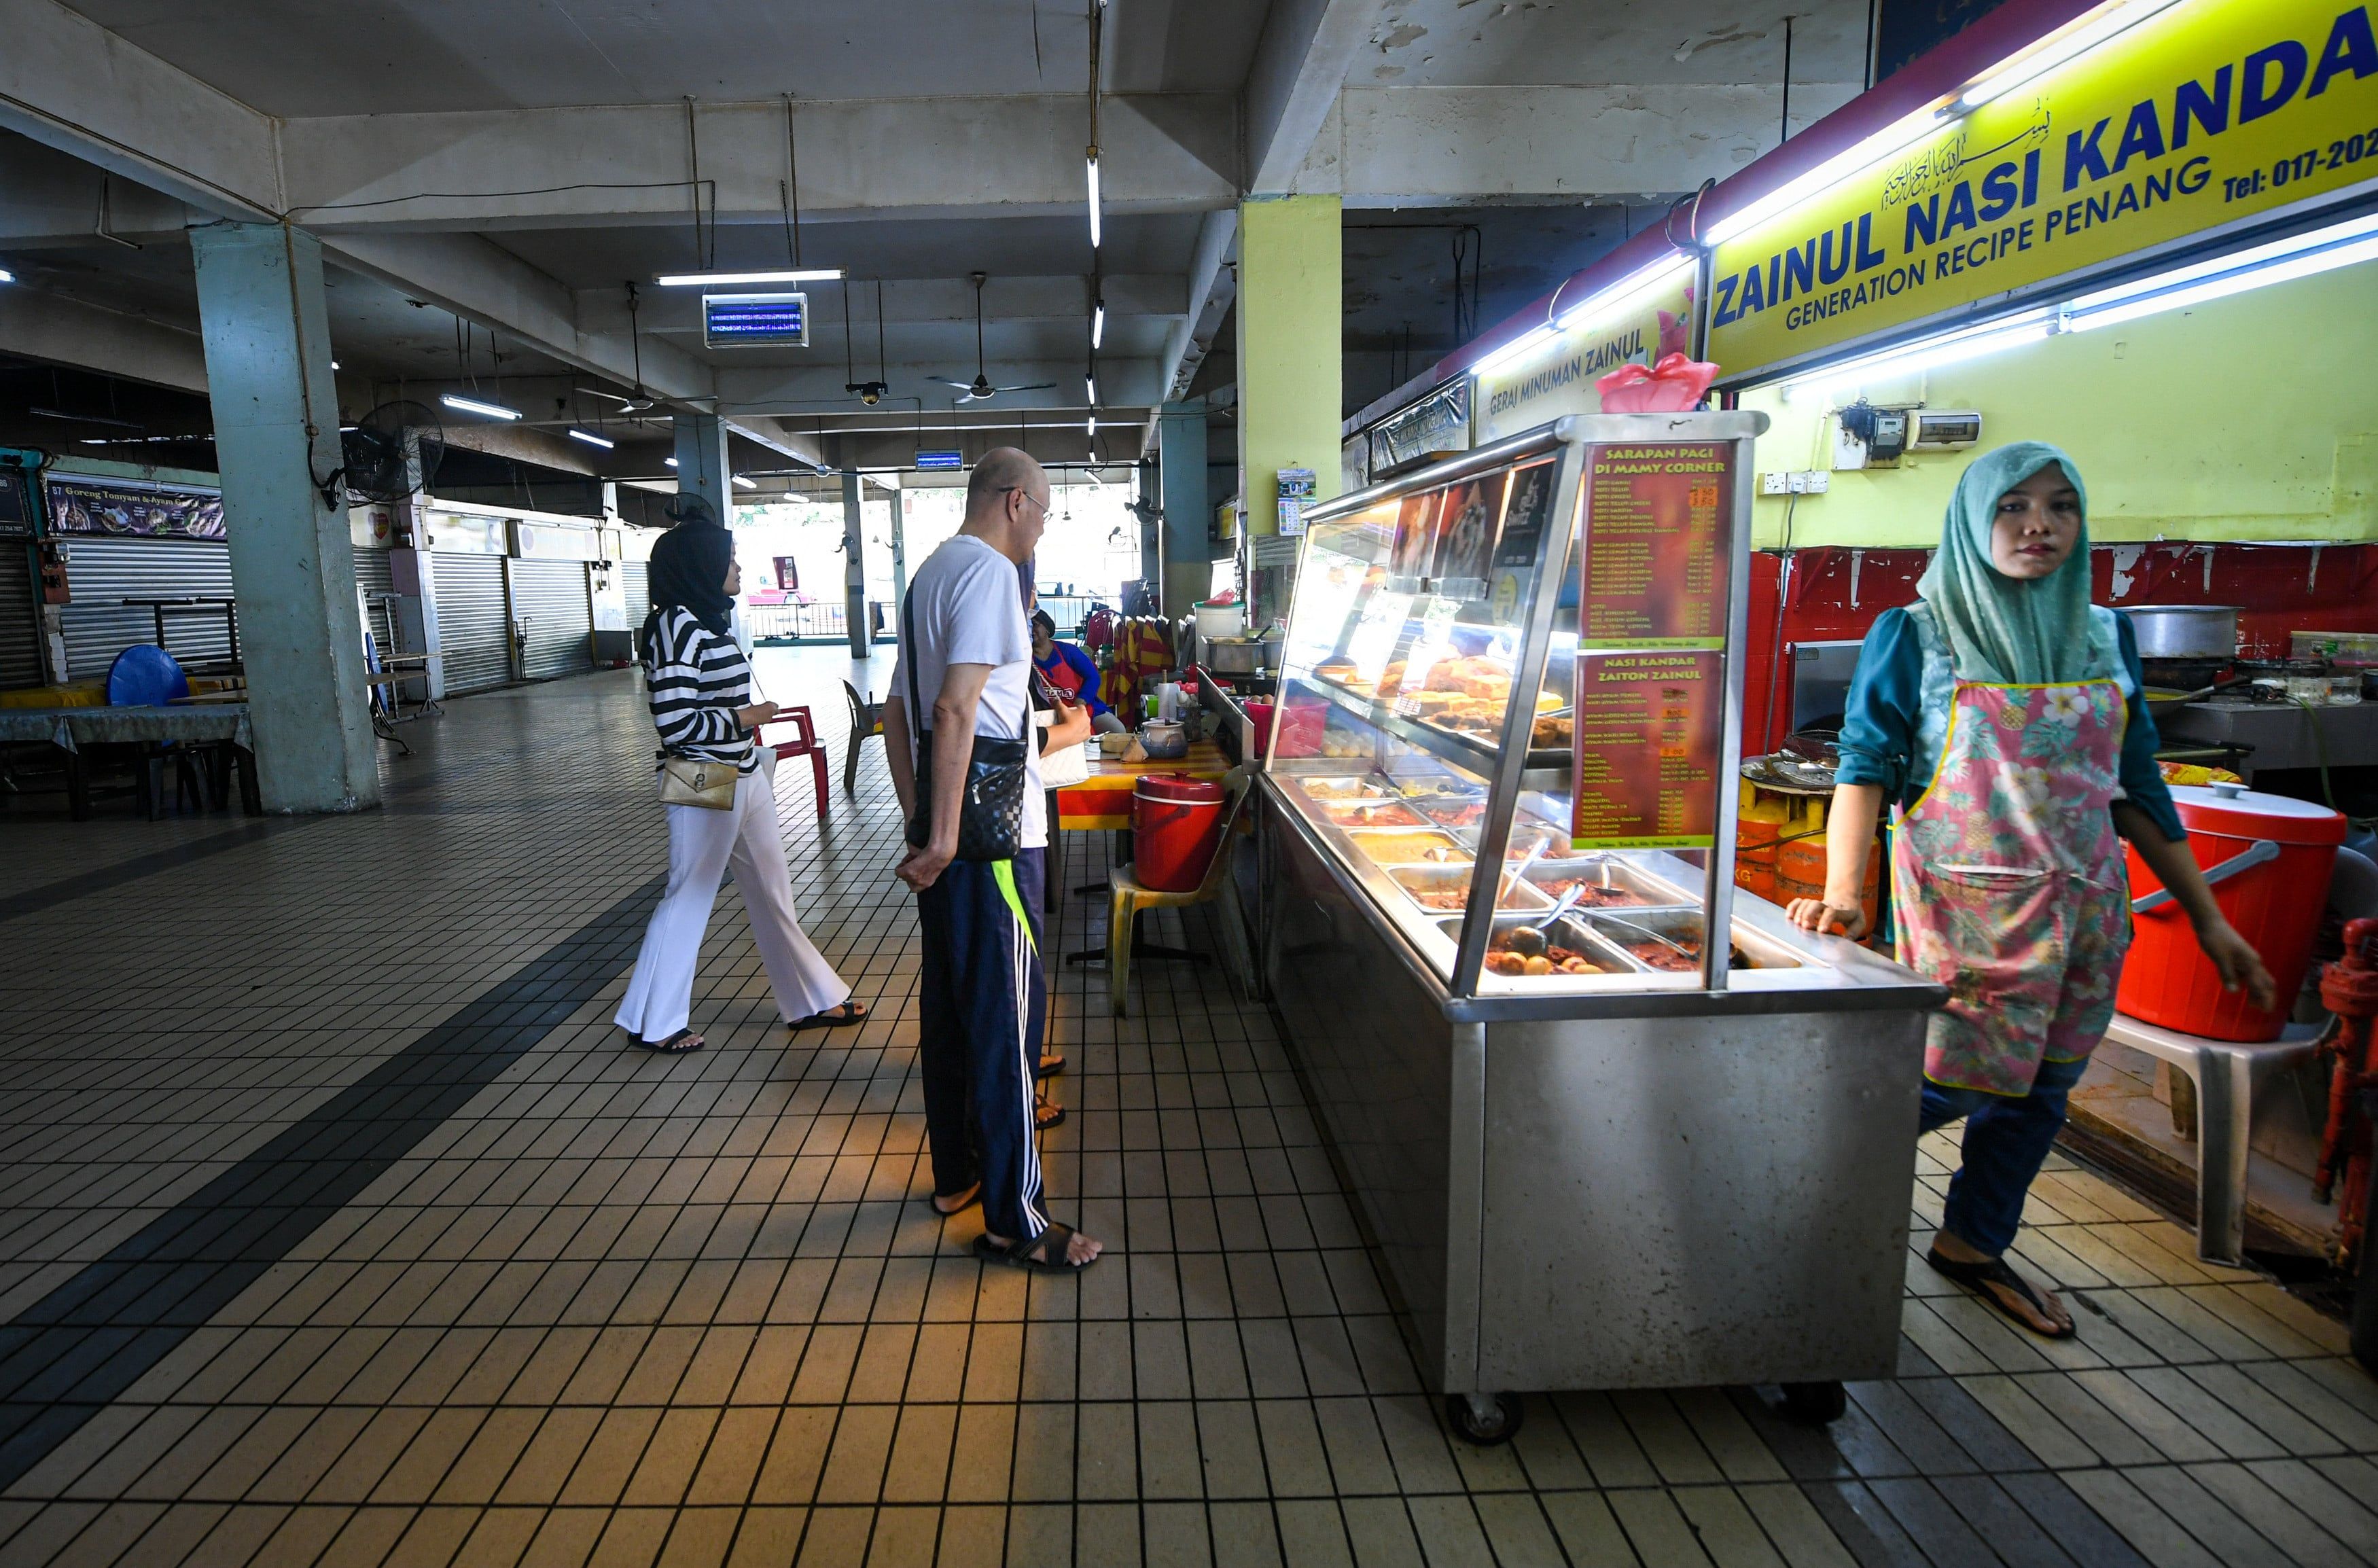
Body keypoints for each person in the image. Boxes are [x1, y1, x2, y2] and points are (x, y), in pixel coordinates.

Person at [1788, 443, 2275, 1338]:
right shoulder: (1919, 634)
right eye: (2012, 507)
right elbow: (1862, 773)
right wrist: (1845, 895)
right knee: (1936, 1086)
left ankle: (1974, 1242)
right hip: (1964, 919)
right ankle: (1778, 1216)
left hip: (2087, 916)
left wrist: (2208, 917)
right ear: (1974, 522)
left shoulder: (2105, 636)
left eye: (2061, 507)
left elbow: (2138, 790)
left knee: (2045, 1089)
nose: (2039, 525)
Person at [887, 448, 1103, 1272]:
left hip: (947, 840)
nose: (1041, 526)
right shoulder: (985, 577)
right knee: (1007, 1024)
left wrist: (920, 823)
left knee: (948, 1011)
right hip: (987, 844)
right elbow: (953, 707)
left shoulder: (929, 574)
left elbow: (898, 710)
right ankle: (1016, 1221)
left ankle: (957, 1177)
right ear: (1015, 501)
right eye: (1044, 512)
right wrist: (945, 836)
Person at [616, 508, 866, 1052]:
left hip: (745, 771)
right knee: (689, 895)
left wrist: (744, 724)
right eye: (728, 557)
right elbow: (675, 722)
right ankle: (653, 1022)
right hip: (701, 775)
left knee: (774, 892)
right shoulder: (673, 627)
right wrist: (746, 718)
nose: (738, 566)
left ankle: (807, 1000)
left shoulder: (708, 620)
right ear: (699, 564)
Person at [1031, 609, 1126, 733]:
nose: (1030, 630)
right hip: (1048, 717)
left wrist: (1079, 704)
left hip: (1084, 708)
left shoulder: (1068, 651)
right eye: (1027, 625)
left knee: (1118, 731)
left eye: (1035, 624)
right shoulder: (1025, 660)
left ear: (1047, 628)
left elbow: (1093, 677)